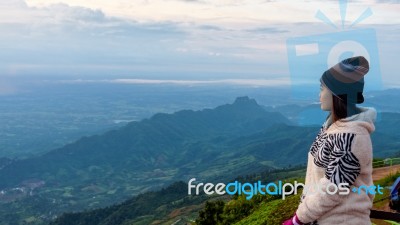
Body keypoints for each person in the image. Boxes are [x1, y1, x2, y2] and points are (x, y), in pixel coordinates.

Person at [282, 56, 377, 225]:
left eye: (322, 89)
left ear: (336, 93)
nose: (319, 95)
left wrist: (298, 220)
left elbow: (332, 188)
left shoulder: (351, 136)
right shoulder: (333, 127)